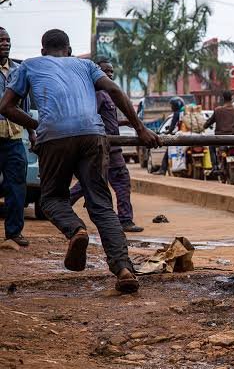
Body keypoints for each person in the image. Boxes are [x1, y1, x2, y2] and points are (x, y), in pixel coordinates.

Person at [0, 29, 161, 293]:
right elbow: (114, 90)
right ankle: (123, 269)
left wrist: (37, 125)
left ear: (43, 51)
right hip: (93, 135)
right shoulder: (86, 66)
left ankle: (76, 231)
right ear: (70, 50)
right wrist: (140, 128)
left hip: (53, 137)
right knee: (101, 205)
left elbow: (5, 107)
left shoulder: (28, 65)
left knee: (51, 199)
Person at [68, 59, 144, 233]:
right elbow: (91, 118)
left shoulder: (104, 94)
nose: (109, 75)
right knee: (121, 179)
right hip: (106, 146)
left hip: (109, 145)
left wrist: (125, 122)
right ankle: (125, 219)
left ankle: (61, 205)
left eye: (111, 72)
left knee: (90, 180)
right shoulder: (96, 94)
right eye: (105, 71)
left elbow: (107, 119)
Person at [0, 26, 33, 247]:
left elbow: (26, 107)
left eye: (8, 40)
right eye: (1, 40)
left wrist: (32, 132)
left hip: (13, 139)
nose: (5, 43)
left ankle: (13, 233)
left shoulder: (19, 70)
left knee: (16, 185)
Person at [203, 90, 234, 169]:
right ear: (232, 98)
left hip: (221, 139)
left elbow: (209, 122)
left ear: (223, 99)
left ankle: (215, 166)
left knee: (211, 146)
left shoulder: (218, 110)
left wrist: (205, 126)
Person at [154, 96, 185, 175]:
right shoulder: (184, 112)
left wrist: (167, 132)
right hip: (188, 135)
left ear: (175, 105)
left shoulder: (176, 113)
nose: (171, 107)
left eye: (172, 105)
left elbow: (171, 128)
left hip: (179, 136)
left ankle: (163, 170)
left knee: (168, 152)